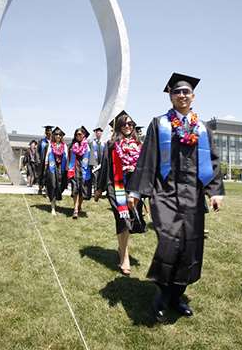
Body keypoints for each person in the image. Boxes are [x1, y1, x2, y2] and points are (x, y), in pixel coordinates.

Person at [127, 73, 224, 321]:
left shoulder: (202, 128)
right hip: (165, 193)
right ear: (170, 96)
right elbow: (148, 157)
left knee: (190, 248)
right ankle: (162, 294)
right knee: (169, 245)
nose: (182, 95)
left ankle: (177, 295)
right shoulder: (159, 124)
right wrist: (137, 191)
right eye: (177, 92)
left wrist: (214, 193)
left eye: (186, 92)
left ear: (193, 97)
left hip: (192, 195)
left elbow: (212, 161)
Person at [94, 111, 146, 276]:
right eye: (124, 124)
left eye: (130, 124)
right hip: (115, 187)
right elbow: (104, 168)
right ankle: (124, 256)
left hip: (133, 187)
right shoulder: (111, 145)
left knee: (129, 220)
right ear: (119, 126)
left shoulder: (139, 145)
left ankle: (121, 247)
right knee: (122, 219)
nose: (128, 126)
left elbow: (144, 167)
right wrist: (99, 188)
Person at [68, 127, 92, 219]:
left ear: (84, 135)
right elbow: (69, 158)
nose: (78, 136)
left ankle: (79, 205)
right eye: (76, 134)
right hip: (75, 169)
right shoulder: (72, 145)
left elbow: (91, 159)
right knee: (75, 190)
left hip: (84, 170)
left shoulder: (88, 146)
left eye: (80, 134)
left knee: (82, 191)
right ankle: (75, 210)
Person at [45, 127, 68, 216]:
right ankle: (53, 208)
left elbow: (66, 157)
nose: (58, 136)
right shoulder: (51, 145)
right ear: (54, 136)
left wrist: (66, 167)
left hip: (61, 168)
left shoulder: (64, 145)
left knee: (60, 186)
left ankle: (55, 200)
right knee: (53, 185)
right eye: (56, 134)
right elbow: (47, 155)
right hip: (52, 168)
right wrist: (46, 166)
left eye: (60, 135)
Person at [37, 125, 54, 194]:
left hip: (51, 161)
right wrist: (38, 159)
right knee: (41, 175)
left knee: (49, 175)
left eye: (50, 131)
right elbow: (37, 151)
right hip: (42, 161)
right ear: (45, 132)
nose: (48, 133)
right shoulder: (41, 141)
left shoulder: (53, 142)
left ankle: (47, 190)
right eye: (47, 131)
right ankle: (40, 188)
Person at [89, 127, 106, 193]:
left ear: (101, 133)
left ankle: (100, 190)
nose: (99, 133)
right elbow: (91, 153)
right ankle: (95, 190)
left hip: (102, 163)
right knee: (95, 177)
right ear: (95, 133)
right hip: (95, 163)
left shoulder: (104, 143)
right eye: (97, 132)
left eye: (100, 132)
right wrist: (93, 164)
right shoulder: (92, 143)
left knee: (101, 177)